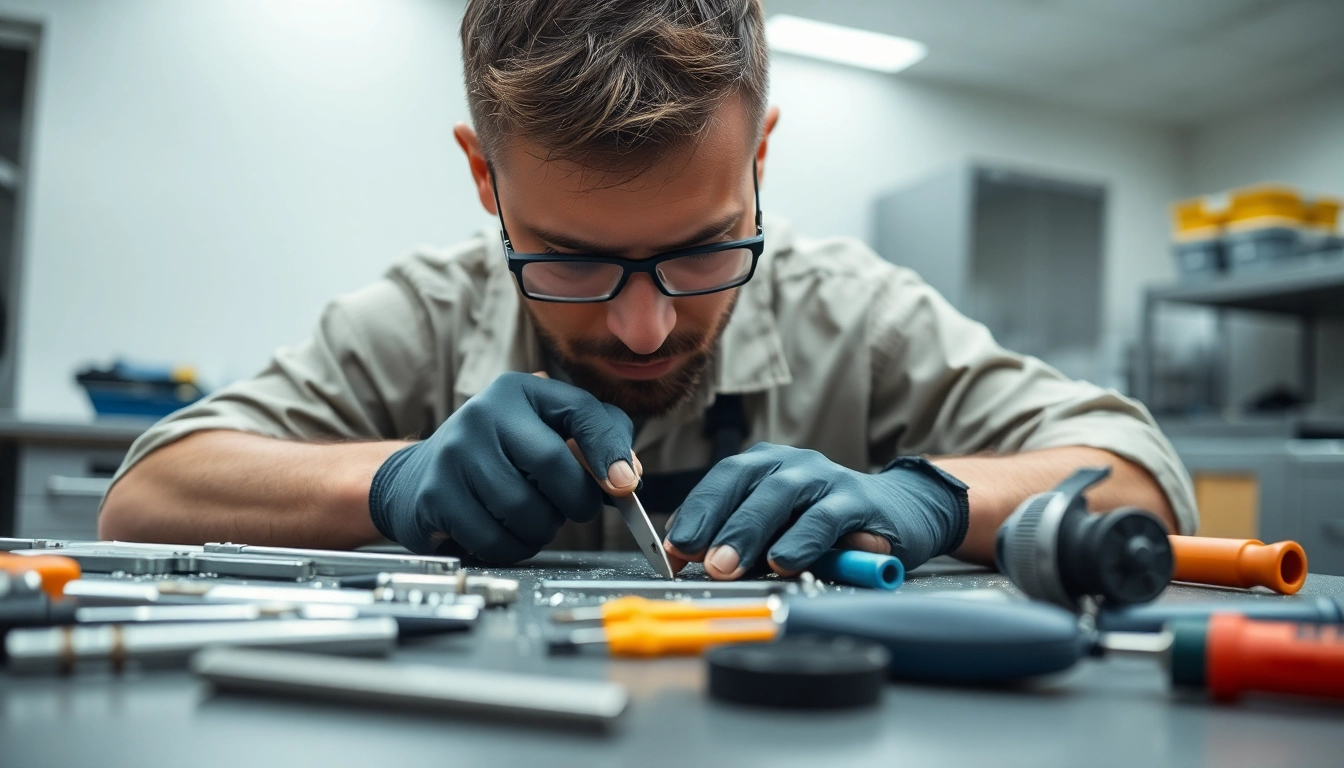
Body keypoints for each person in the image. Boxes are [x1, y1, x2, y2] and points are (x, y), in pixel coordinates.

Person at [100, 0, 1196, 580]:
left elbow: (1145, 480)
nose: (643, 325)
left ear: (760, 159)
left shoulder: (857, 317)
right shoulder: (420, 317)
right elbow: (147, 494)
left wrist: (934, 499)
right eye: (571, 260)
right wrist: (388, 483)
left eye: (703, 249)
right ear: (485, 179)